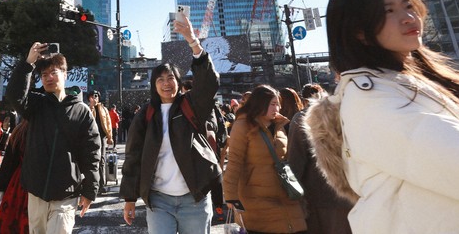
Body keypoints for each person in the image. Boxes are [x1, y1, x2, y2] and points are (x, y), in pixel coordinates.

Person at [305, 0, 459, 233]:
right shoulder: (374, 103)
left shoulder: (405, 84)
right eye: (388, 11)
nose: (408, 17)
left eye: (408, 6)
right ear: (359, 32)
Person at [120, 16, 222, 233]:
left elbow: (209, 83)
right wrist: (129, 197)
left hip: (195, 198)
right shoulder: (146, 115)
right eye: (160, 80)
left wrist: (193, 42)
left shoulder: (191, 105)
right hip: (159, 201)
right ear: (154, 85)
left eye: (170, 78)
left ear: (178, 82)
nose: (166, 84)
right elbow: (133, 157)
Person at [5, 44, 101, 234]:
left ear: (65, 74)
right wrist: (28, 63)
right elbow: (14, 96)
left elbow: (91, 152)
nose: (48, 77)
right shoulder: (35, 104)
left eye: (53, 72)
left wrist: (90, 190)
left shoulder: (81, 111)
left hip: (66, 193)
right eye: (44, 75)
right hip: (36, 191)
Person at [223, 84, 307, 233]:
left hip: (285, 194)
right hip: (256, 198)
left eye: (278, 104)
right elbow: (234, 162)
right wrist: (230, 197)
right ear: (260, 104)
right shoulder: (243, 125)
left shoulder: (281, 126)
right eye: (273, 104)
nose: (277, 108)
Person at [287, 85, 352, 234]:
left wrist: (293, 199)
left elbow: (295, 163)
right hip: (352, 194)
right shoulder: (354, 115)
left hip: (317, 197)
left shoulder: (303, 118)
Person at [0, 120, 30, 234]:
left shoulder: (21, 129)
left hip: (16, 182)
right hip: (34, 182)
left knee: (10, 220)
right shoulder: (47, 128)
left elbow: (9, 162)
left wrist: (1, 189)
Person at [87, 90, 113, 194]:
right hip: (91, 138)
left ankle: (101, 185)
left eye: (97, 96)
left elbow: (108, 123)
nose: (95, 98)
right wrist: (91, 107)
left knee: (101, 161)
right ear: (89, 98)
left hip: (101, 138)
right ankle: (92, 185)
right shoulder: (87, 109)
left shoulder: (103, 109)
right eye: (93, 96)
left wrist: (110, 137)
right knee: (92, 161)